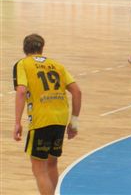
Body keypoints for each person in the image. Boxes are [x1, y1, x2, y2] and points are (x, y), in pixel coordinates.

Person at [13, 34, 82, 195]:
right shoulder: (57, 65)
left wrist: (17, 122)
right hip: (60, 119)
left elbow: (21, 91)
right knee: (52, 164)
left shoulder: (22, 64)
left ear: (24, 49)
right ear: (42, 48)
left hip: (41, 119)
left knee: (39, 169)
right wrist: (74, 122)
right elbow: (77, 92)